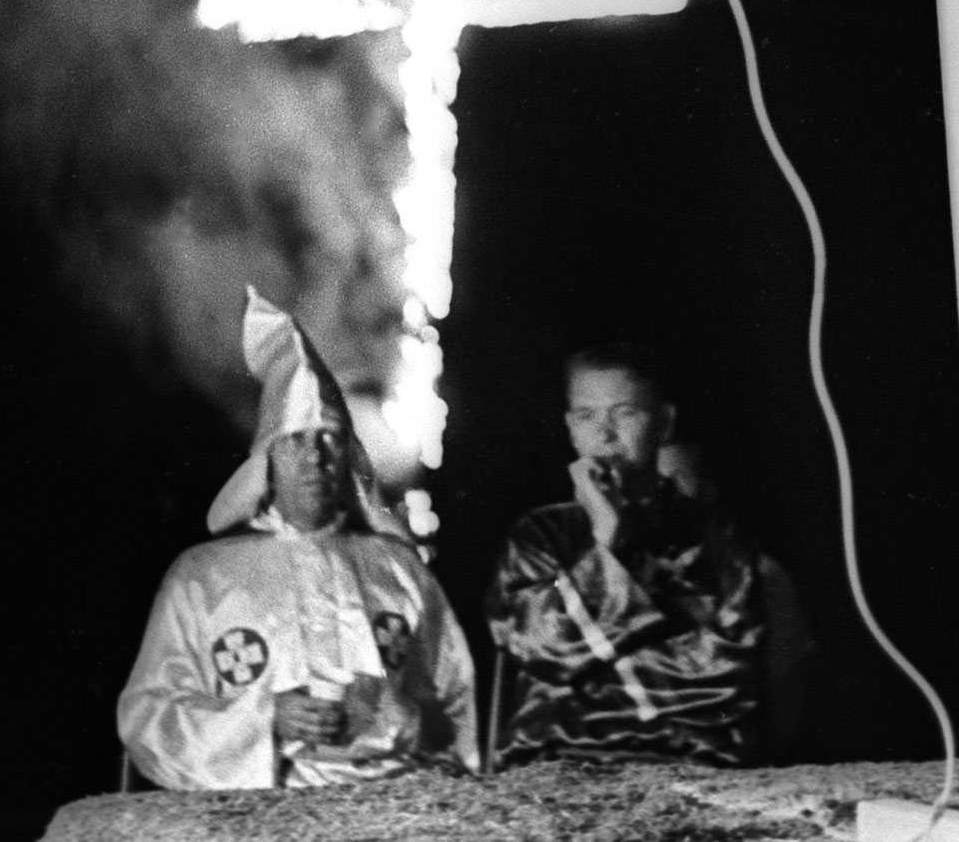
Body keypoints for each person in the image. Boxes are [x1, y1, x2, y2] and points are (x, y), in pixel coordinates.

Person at [117, 288, 479, 790]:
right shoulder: (202, 577)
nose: (315, 457)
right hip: (256, 813)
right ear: (267, 458)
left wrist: (394, 715)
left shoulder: (401, 572)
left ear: (350, 458)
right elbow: (148, 715)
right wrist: (263, 717)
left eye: (330, 440)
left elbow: (456, 704)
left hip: (392, 806)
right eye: (296, 441)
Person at [486, 344, 766, 767]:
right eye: (586, 416)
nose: (605, 433)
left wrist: (589, 665)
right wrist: (605, 540)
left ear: (664, 423)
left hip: (692, 759)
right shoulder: (539, 536)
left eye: (625, 412)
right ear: (569, 427)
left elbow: (727, 679)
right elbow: (542, 648)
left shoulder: (715, 535)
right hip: (559, 759)